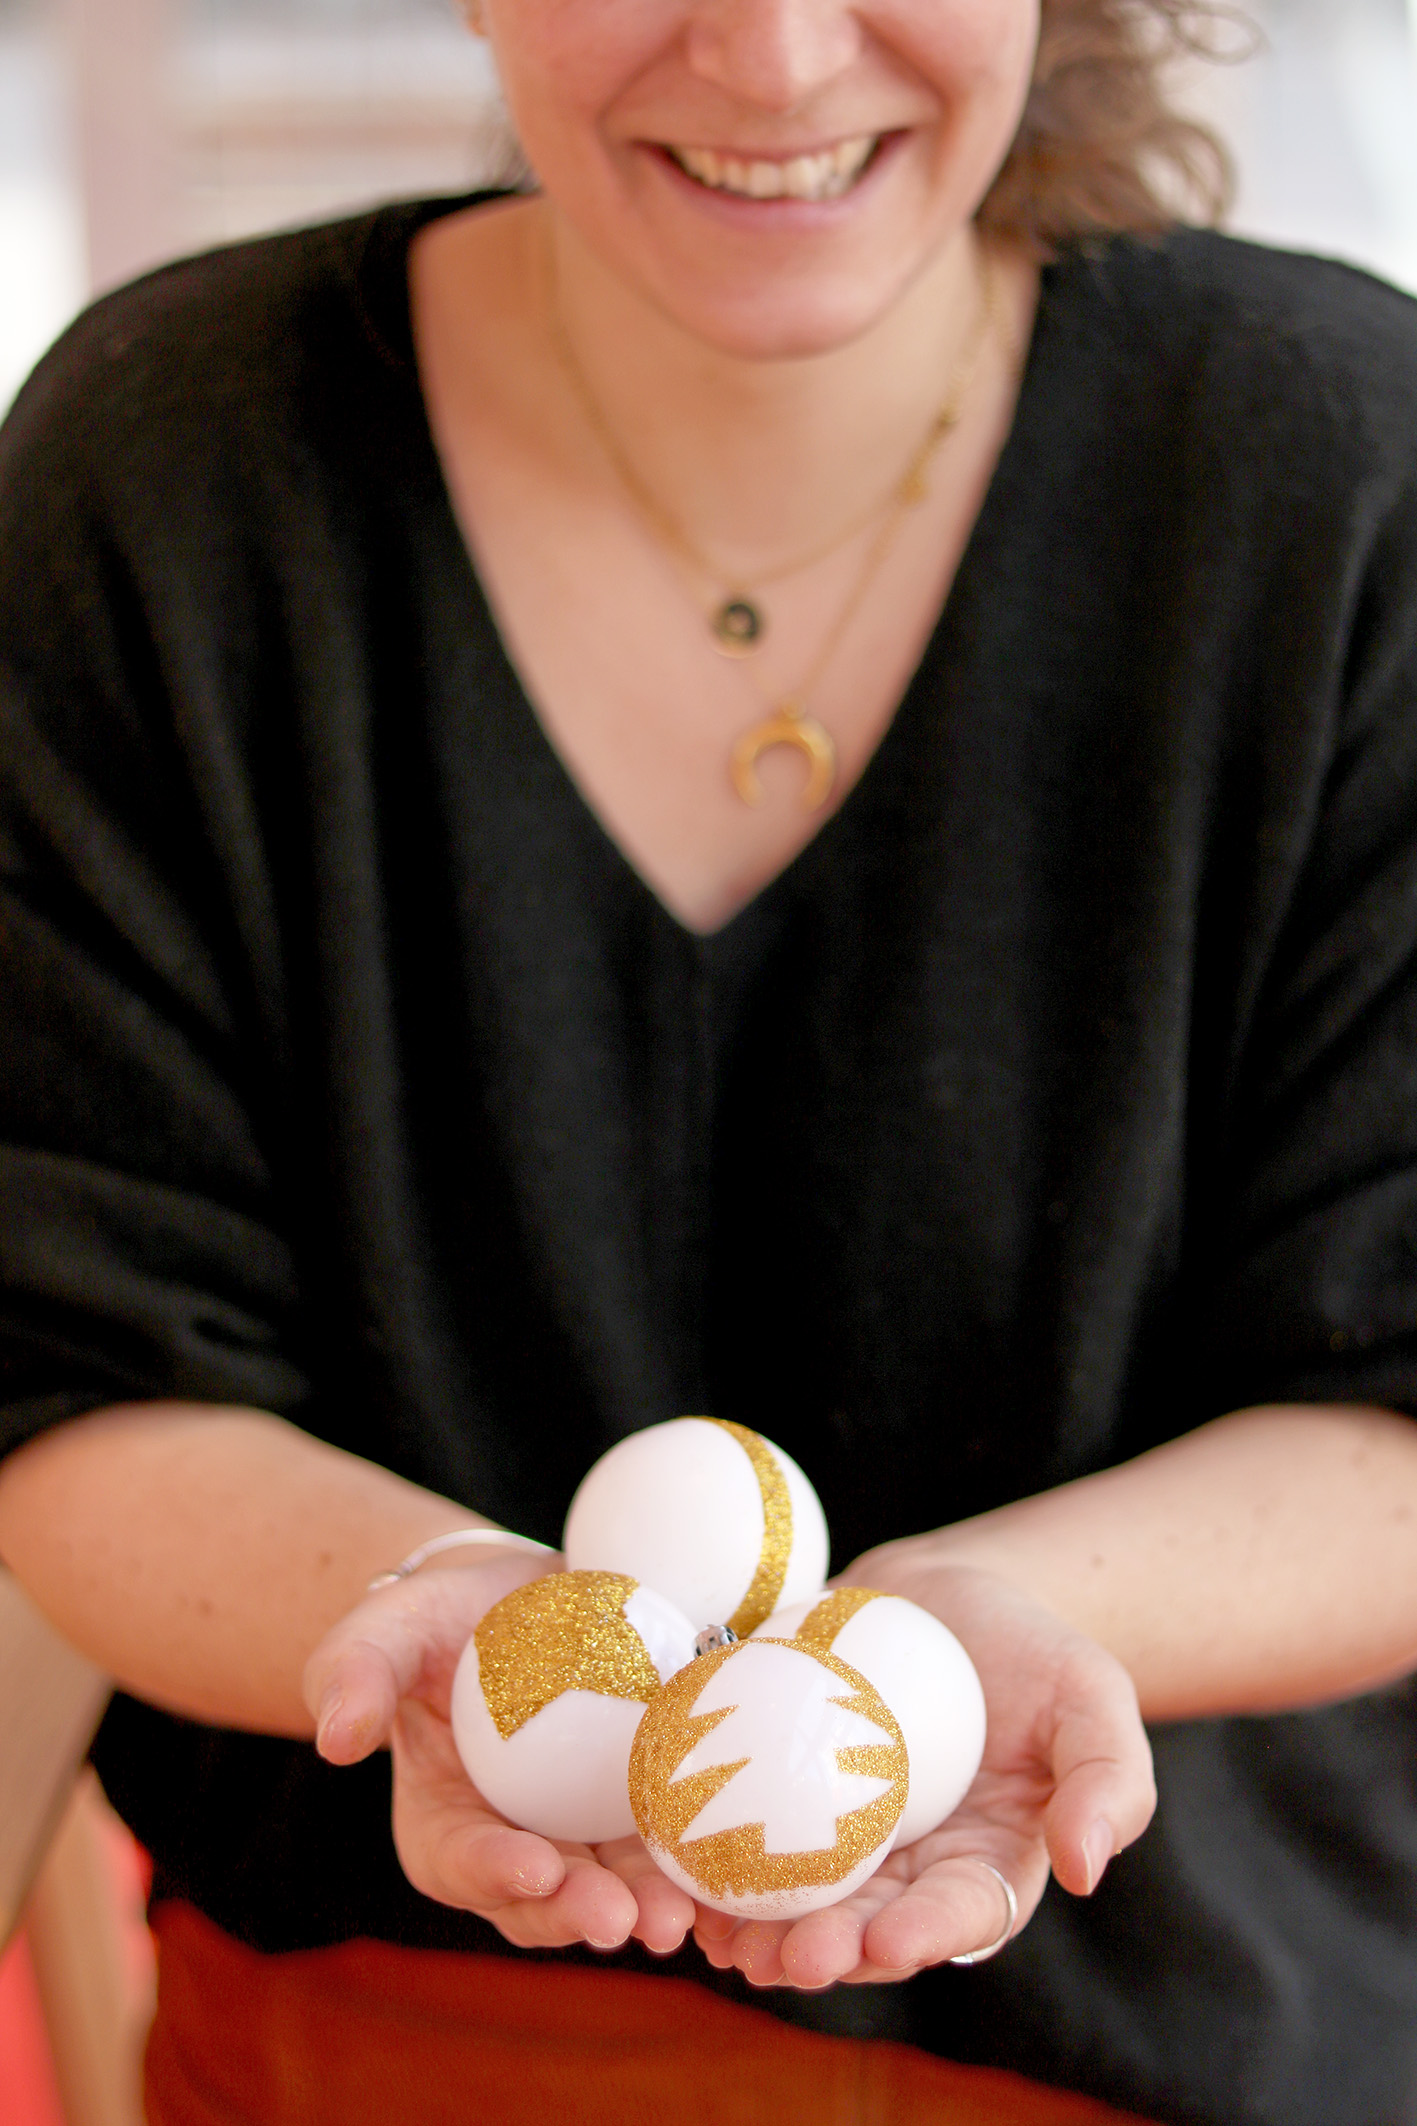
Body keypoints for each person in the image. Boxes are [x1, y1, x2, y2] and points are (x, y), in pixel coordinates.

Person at [2, 0, 1417, 2119]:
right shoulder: (168, 465)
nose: (769, 57)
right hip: (380, 2053)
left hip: (1185, 2057)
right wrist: (458, 1633)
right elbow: (84, 1362)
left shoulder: (1342, 466)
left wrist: (939, 1648)